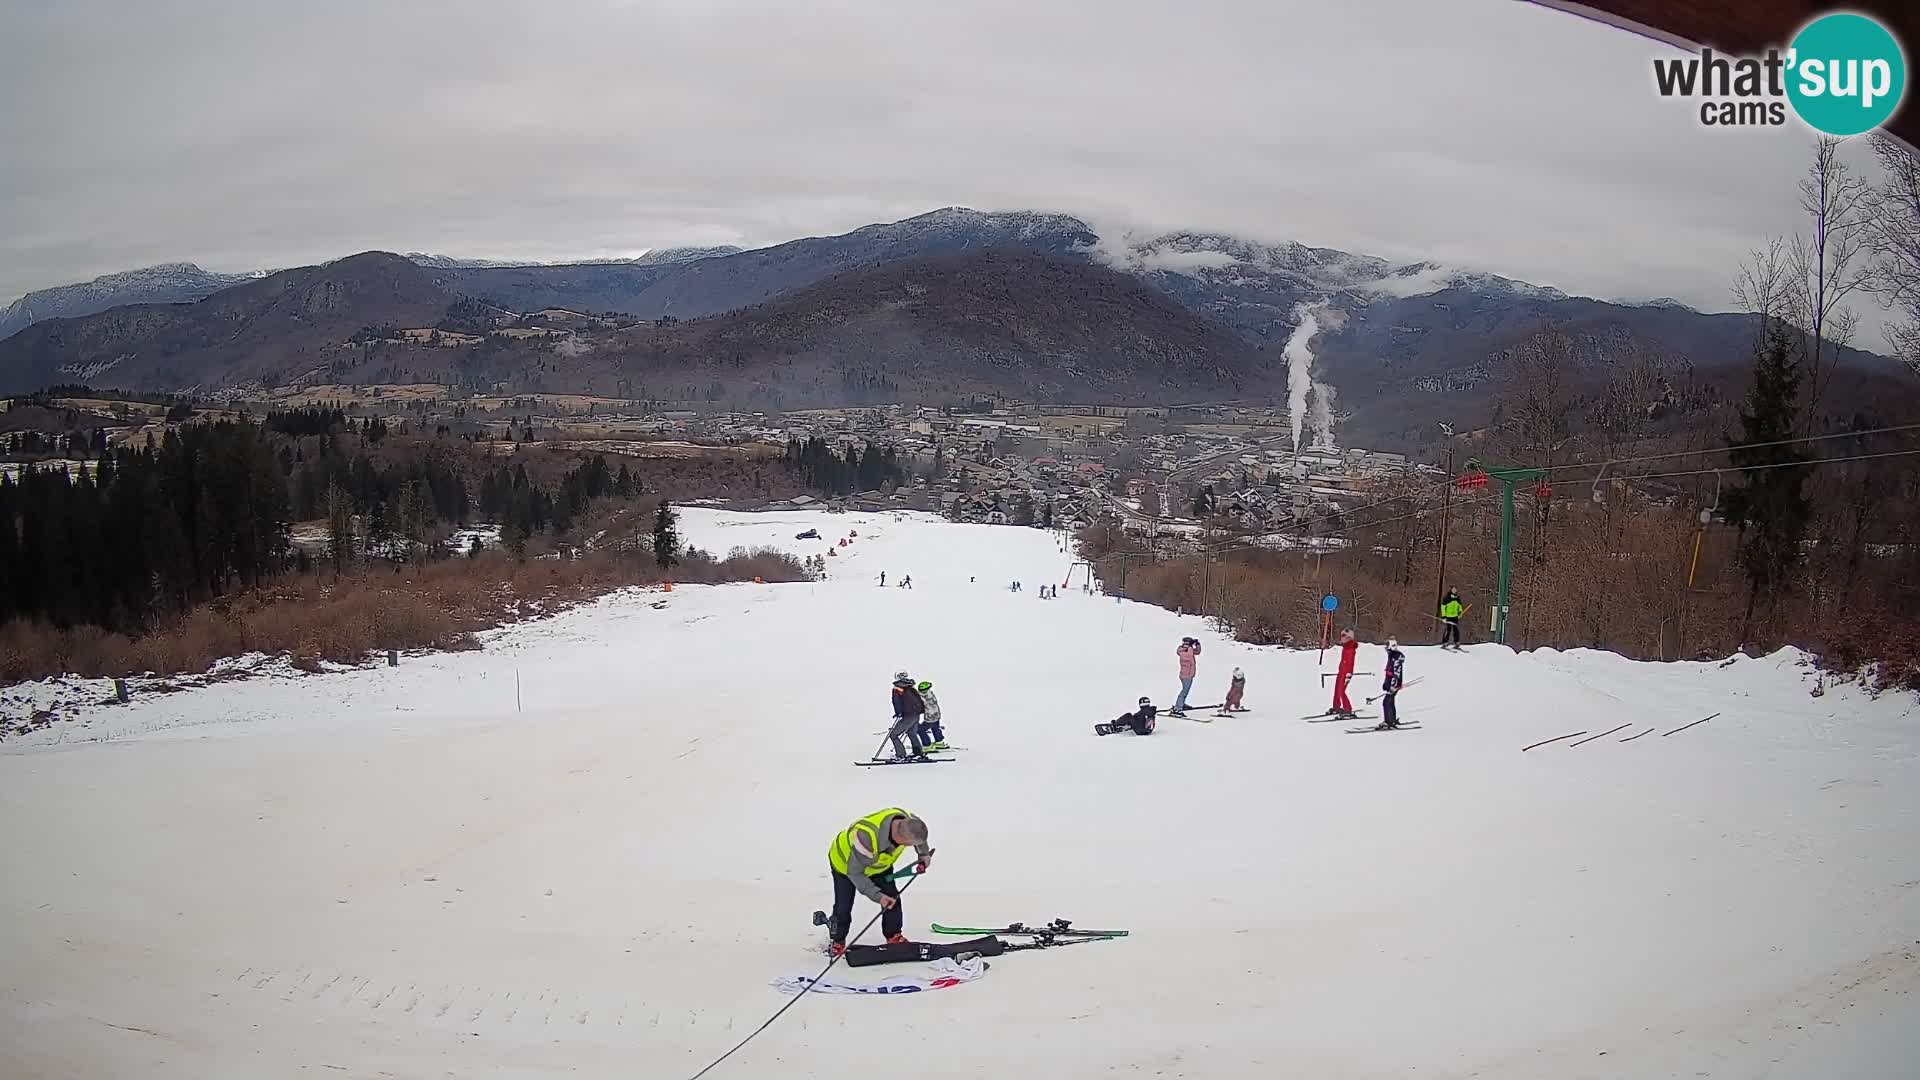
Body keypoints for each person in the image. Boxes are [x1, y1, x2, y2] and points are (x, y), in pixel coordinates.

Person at [825, 807, 932, 956]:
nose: (909, 847)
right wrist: (878, 896)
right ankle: (838, 939)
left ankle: (893, 935)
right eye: (909, 844)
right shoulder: (866, 837)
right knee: (844, 904)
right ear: (901, 838)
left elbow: (920, 839)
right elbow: (855, 873)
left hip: (878, 865)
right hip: (845, 865)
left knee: (893, 898)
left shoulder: (908, 820)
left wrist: (924, 854)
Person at [886, 671, 929, 759]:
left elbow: (896, 702)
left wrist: (898, 712)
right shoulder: (910, 687)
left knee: (893, 734)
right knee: (911, 733)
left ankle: (901, 755)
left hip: (908, 716)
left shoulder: (897, 688)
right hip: (916, 715)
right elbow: (918, 700)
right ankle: (918, 753)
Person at [1377, 639, 1406, 730]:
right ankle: (1391, 719)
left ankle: (1389, 721)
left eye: (1387, 646)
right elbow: (1389, 672)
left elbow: (1395, 674)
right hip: (1392, 684)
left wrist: (1393, 686)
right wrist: (1386, 683)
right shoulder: (1392, 656)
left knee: (1386, 702)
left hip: (1394, 684)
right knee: (1390, 701)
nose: (1385, 648)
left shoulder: (1395, 657)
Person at [1331, 628, 1359, 718]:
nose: (1341, 638)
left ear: (1349, 637)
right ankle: (1336, 706)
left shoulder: (1350, 647)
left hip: (1346, 672)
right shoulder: (1346, 647)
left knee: (1341, 691)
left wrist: (1348, 673)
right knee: (1337, 689)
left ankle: (1348, 709)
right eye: (1341, 635)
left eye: (1343, 636)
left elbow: (1350, 662)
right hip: (1342, 671)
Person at [1170, 637, 1201, 716]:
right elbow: (1189, 656)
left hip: (1189, 674)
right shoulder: (1183, 652)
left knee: (1186, 691)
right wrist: (1190, 647)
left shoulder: (1187, 650)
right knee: (1184, 692)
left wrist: (1197, 645)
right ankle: (1177, 708)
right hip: (1185, 675)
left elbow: (1197, 652)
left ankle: (1181, 704)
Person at [916, 680, 947, 751]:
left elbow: (922, 706)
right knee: (935, 727)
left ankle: (927, 745)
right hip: (936, 714)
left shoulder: (922, 696)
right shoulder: (930, 693)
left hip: (930, 716)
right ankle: (939, 741)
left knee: (921, 729)